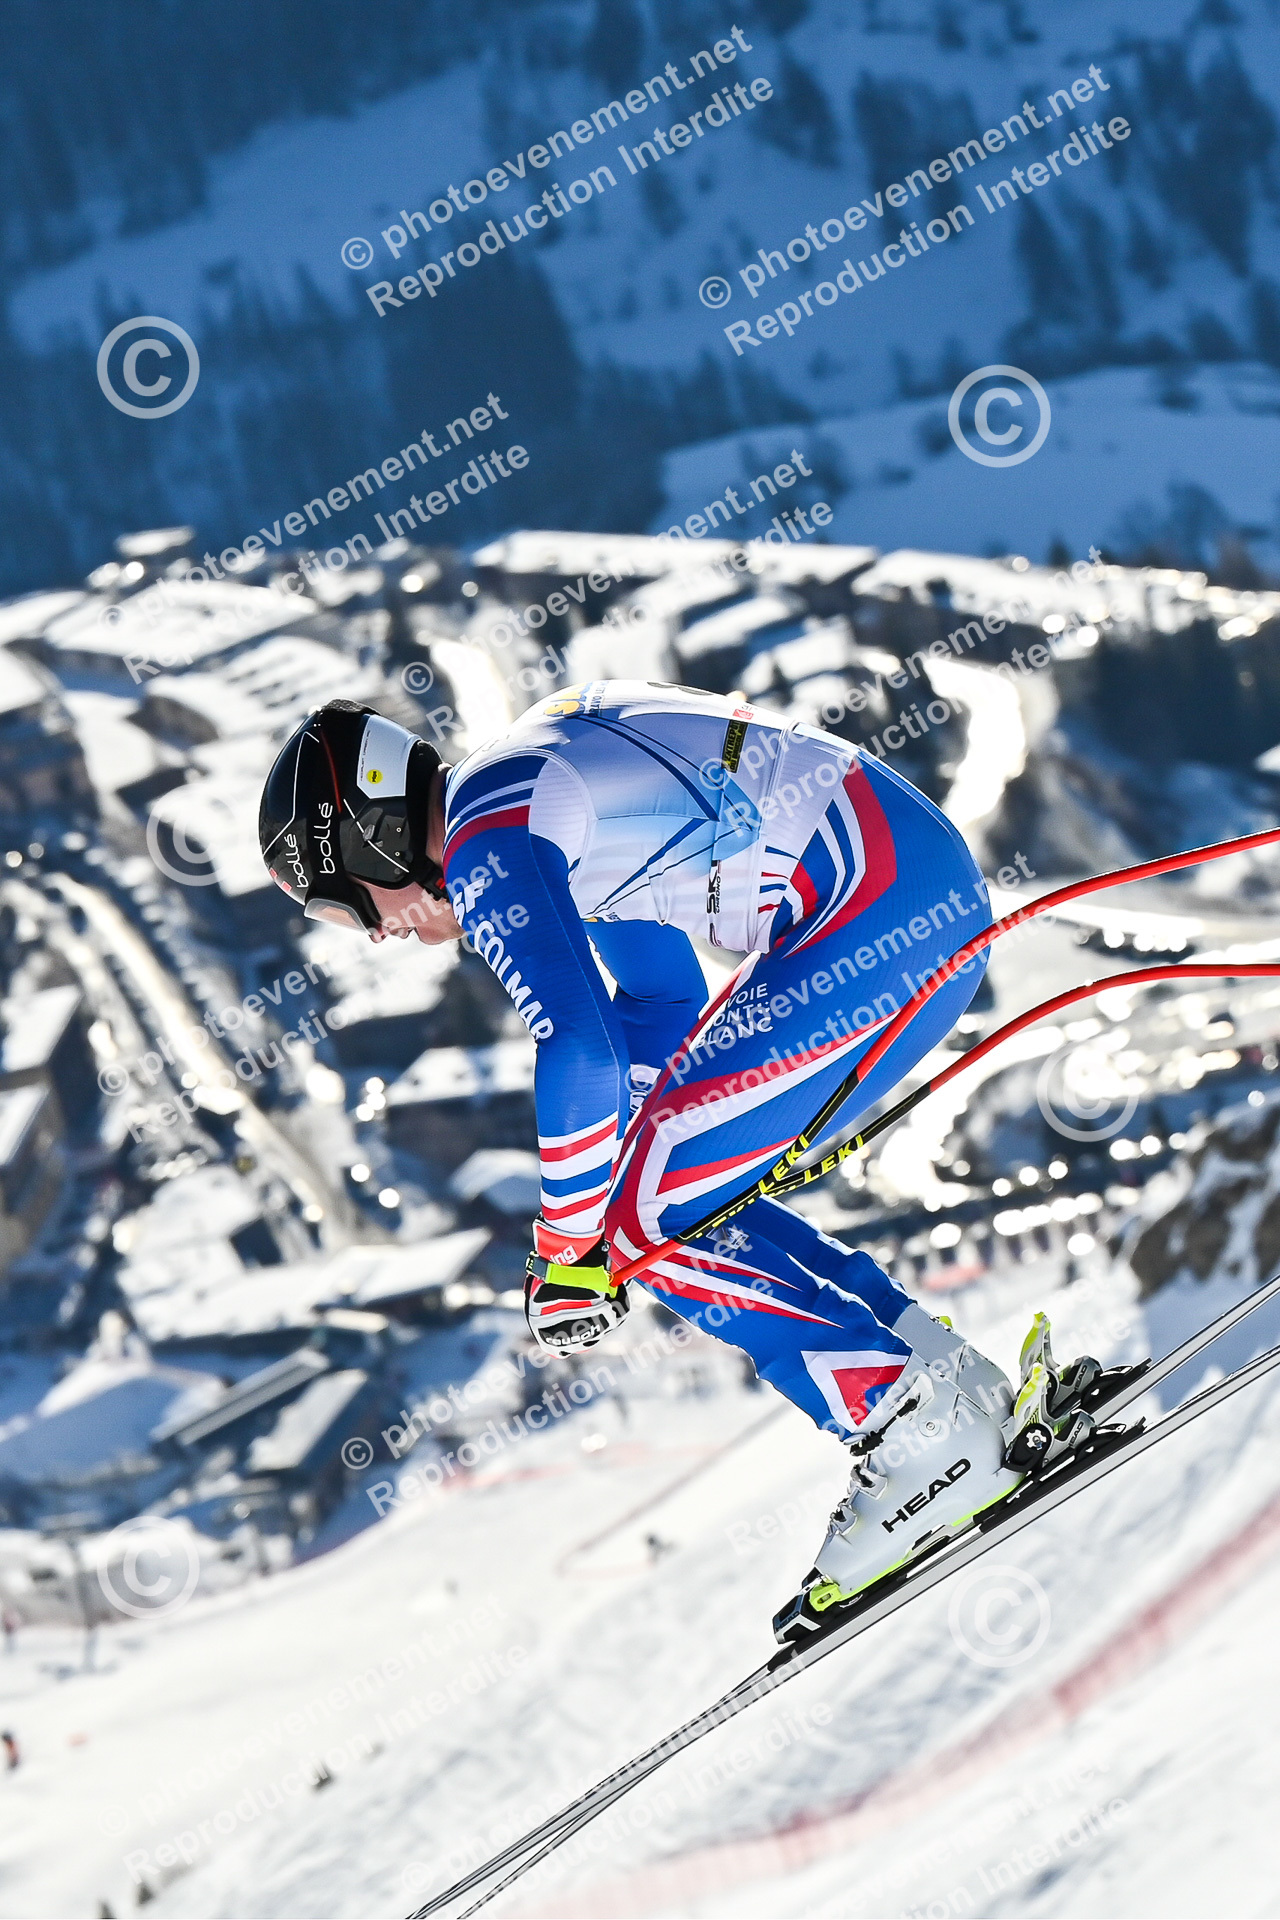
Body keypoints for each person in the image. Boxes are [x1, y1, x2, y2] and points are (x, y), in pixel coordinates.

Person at [259, 688, 1092, 1631]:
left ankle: (912, 1430)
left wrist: (570, 1246)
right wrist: (616, 1180)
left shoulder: (489, 839)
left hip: (879, 911)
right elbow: (659, 1000)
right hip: (896, 891)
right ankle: (940, 1384)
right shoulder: (521, 791)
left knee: (642, 1216)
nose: (373, 934)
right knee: (657, 1192)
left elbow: (581, 1048)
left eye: (341, 902)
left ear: (372, 839)